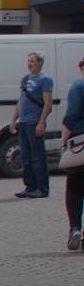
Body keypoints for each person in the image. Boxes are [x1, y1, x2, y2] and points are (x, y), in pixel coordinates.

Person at [14, 50, 54, 200]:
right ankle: (30, 187)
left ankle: (42, 188)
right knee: (25, 156)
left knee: (37, 157)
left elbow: (48, 103)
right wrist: (14, 120)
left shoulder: (45, 80)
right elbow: (21, 100)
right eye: (28, 61)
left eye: (32, 61)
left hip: (34, 122)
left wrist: (41, 122)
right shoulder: (25, 79)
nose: (29, 64)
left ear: (40, 63)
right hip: (23, 122)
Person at [63, 58, 84, 251]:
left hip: (80, 143)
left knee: (74, 188)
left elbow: (72, 115)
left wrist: (64, 138)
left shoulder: (78, 86)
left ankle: (75, 228)